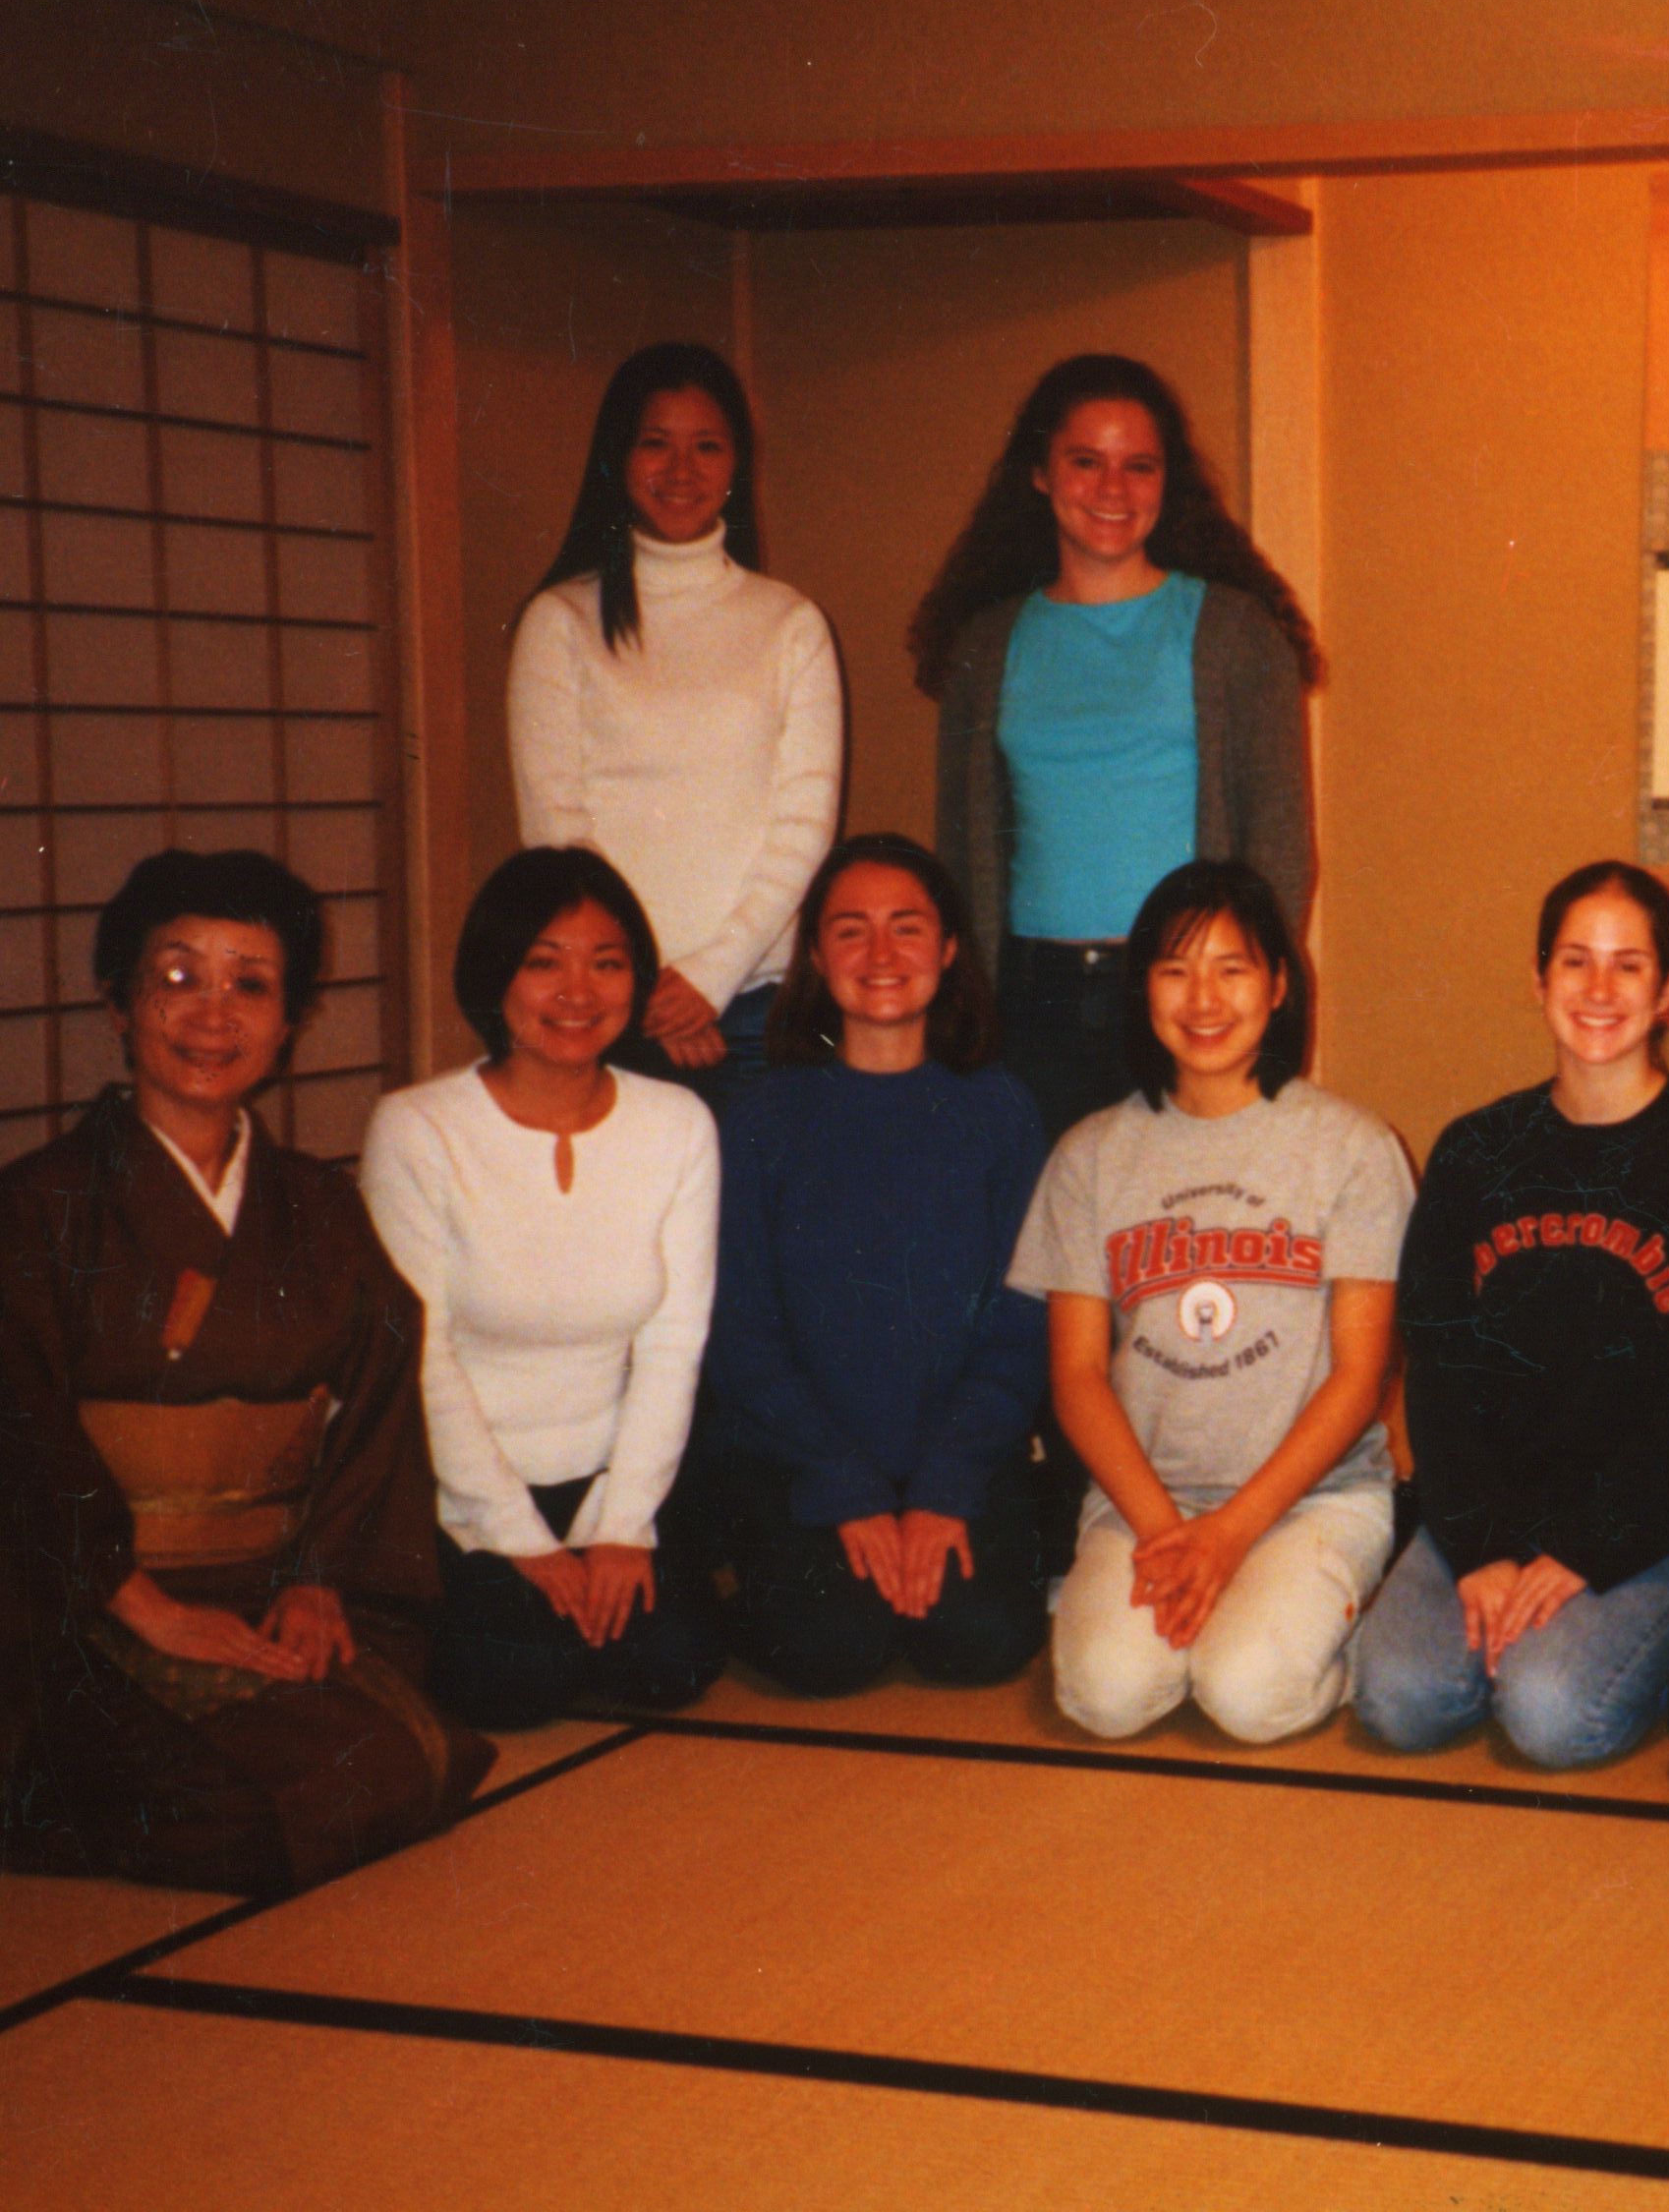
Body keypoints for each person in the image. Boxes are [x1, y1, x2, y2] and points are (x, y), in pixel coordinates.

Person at [0, 850, 490, 1892]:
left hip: (264, 1586)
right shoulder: (38, 1207)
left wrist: (318, 1580)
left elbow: (376, 1403)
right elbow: (20, 1430)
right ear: (119, 1004)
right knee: (269, 1811)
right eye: (177, 977)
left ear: (289, 1020)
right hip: (86, 1603)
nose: (211, 1014)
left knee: (421, 1760)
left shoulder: (315, 1204)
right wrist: (143, 1604)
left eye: (250, 984)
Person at [1358, 862, 1669, 1770]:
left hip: (1667, 1525)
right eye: (1575, 962)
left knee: (1553, 1716)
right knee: (1400, 1702)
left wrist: (1588, 1552)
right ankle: (1545, 1634)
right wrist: (1480, 1549)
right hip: (1499, 1512)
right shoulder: (1477, 1150)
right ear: (1538, 978)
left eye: (1628, 966)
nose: (1599, 991)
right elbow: (1437, 1366)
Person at [1012, 861, 1407, 1744]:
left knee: (1248, 1697)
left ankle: (1336, 1626)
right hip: (1142, 1501)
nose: (1203, 997)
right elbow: (1076, 1376)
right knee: (1106, 1698)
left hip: (1315, 1500)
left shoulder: (1352, 1147)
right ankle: (1186, 1610)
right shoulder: (1091, 1155)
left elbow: (1358, 1376)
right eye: (1175, 968)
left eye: (1232, 968)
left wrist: (1231, 1536)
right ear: (1142, 987)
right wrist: (1167, 1532)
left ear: (1276, 985)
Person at [361, 849, 726, 1731]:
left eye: (606, 963)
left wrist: (620, 1529)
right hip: (465, 1493)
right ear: (496, 975)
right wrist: (525, 1544)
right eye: (543, 961)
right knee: (513, 1688)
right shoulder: (416, 1129)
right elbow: (425, 1356)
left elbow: (673, 1347)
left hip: (609, 1479)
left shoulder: (677, 1123)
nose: (577, 991)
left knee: (673, 1667)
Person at [915, 354, 1321, 1139]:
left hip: (1186, 1002)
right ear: (1038, 473)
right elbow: (962, 853)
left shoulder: (1235, 635)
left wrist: (1243, 999)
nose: (1113, 490)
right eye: (1085, 462)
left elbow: (1280, 851)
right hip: (1035, 1003)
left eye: (1140, 466)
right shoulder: (987, 644)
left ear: (1169, 483)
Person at [698, 836, 1049, 1696]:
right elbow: (741, 1332)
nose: (882, 955)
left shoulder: (1000, 1112)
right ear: (815, 956)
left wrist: (945, 1484)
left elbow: (1025, 1322)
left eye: (908, 927)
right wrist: (842, 1482)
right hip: (803, 1460)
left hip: (956, 1457)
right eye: (851, 931)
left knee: (976, 1643)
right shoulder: (761, 1119)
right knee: (832, 1651)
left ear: (950, 948)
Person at [507, 340, 842, 1108]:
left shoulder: (791, 623)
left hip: (756, 1008)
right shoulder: (560, 620)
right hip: (606, 1010)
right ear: (617, 458)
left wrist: (710, 978)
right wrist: (648, 987)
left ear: (737, 465)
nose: (681, 469)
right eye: (655, 443)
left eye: (707, 446)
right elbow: (557, 832)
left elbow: (804, 828)